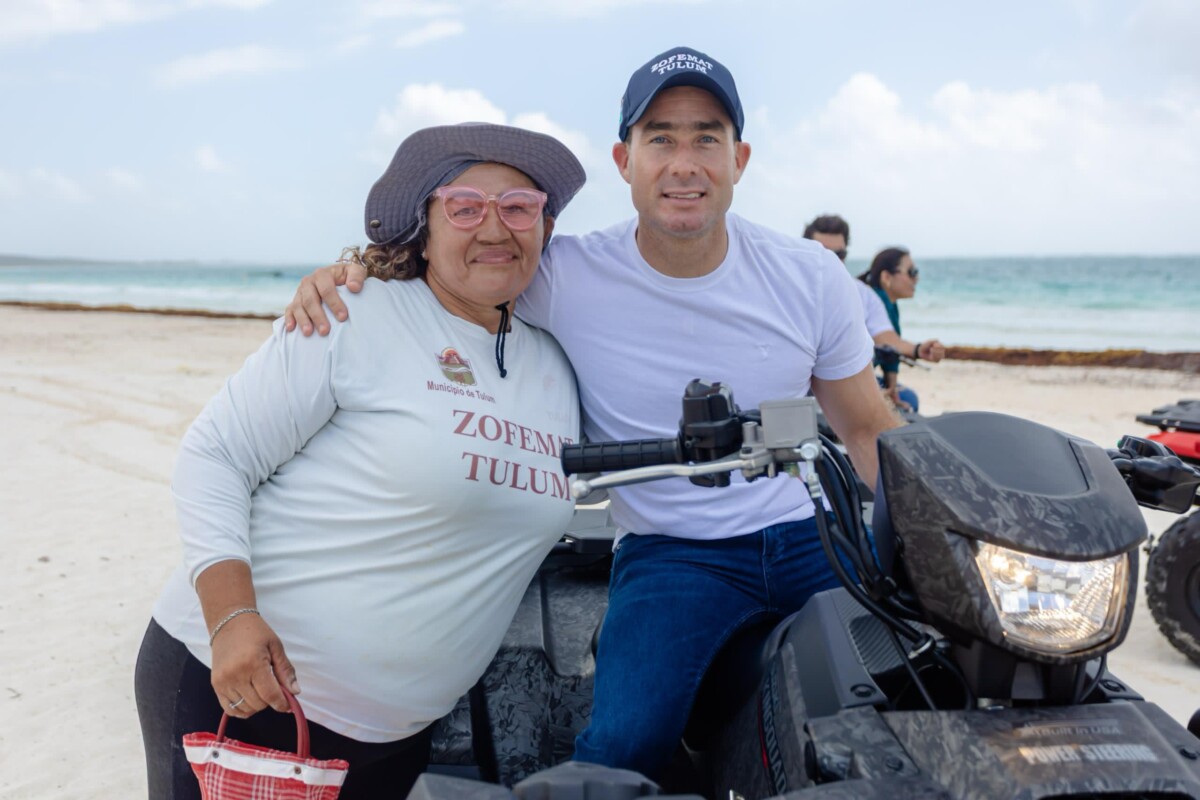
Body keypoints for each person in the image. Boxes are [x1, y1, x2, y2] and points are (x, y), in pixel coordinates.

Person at [284, 46, 900, 781]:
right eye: (660, 138)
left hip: (810, 538)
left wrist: (928, 533)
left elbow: (865, 427)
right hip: (674, 552)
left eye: (706, 137)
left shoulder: (808, 274)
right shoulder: (564, 275)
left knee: (915, 702)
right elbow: (455, 265)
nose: (684, 162)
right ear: (624, 159)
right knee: (621, 748)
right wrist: (348, 273)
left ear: (739, 158)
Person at [133, 123, 586, 799]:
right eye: (464, 207)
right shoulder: (354, 312)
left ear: (544, 230)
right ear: (423, 229)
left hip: (397, 737)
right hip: (249, 695)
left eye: (519, 207)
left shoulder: (558, 364)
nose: (496, 227)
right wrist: (230, 620)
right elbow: (216, 453)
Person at [803, 215, 945, 411]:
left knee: (907, 402)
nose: (832, 261)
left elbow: (886, 339)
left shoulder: (862, 294)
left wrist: (918, 349)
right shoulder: (788, 294)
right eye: (823, 253)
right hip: (803, 387)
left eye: (839, 255)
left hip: (846, 382)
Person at [859, 246, 943, 411]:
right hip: (856, 379)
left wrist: (892, 388)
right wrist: (918, 350)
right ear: (886, 277)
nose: (916, 279)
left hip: (865, 376)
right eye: (911, 272)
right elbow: (887, 342)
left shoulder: (890, 304)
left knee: (906, 399)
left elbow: (890, 354)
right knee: (910, 400)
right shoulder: (874, 301)